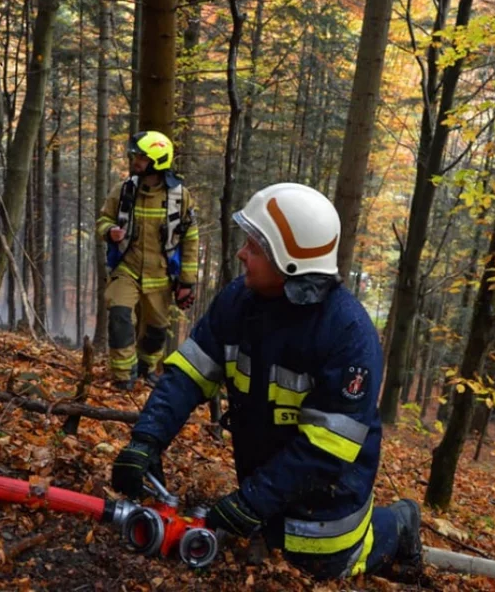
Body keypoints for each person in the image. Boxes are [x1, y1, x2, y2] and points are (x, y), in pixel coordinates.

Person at [110, 183, 422, 579]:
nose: (242, 253)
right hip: (267, 479)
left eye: (255, 248)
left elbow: (326, 451)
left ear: (289, 263)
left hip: (327, 499)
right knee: (267, 543)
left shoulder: (347, 335)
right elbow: (188, 376)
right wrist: (146, 439)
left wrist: (253, 500)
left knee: (322, 562)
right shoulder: (239, 301)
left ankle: (399, 523)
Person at [95, 130, 199, 388]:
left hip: (160, 276)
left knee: (156, 329)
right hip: (125, 270)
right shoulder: (122, 191)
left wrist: (186, 282)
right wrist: (109, 231)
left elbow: (191, 240)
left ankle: (147, 368)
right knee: (119, 315)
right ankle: (122, 377)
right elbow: (103, 220)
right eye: (135, 156)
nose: (134, 161)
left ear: (157, 160)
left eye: (141, 157)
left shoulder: (179, 197)